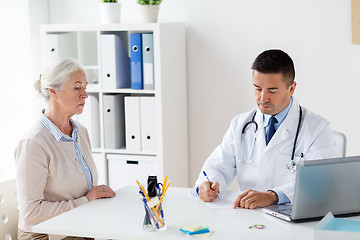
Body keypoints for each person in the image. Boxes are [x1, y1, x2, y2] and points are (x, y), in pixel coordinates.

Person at [194, 49, 337, 209]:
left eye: (272, 90)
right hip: (248, 215)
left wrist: (273, 196)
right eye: (257, 88)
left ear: (291, 88)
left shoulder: (317, 128)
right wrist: (207, 184)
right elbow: (219, 165)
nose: (263, 98)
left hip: (293, 216)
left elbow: (321, 181)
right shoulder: (241, 124)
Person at [15, 58, 116, 240]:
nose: (85, 94)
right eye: (77, 87)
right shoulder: (33, 143)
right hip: (44, 235)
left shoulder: (81, 132)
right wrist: (86, 201)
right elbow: (31, 213)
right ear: (53, 91)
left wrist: (95, 198)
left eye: (85, 87)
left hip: (76, 227)